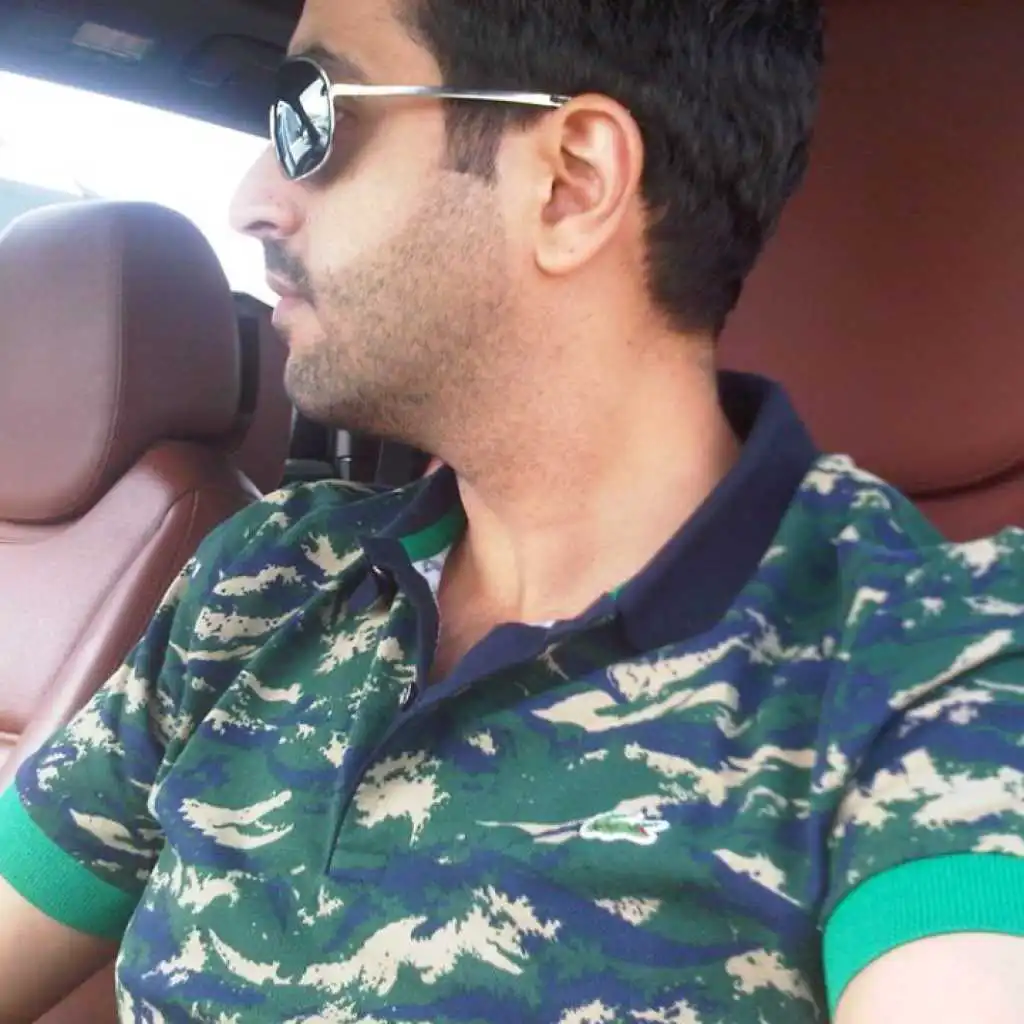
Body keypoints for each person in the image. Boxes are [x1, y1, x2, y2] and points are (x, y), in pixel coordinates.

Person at [2, 0, 1023, 1021]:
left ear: (570, 182)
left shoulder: (933, 660)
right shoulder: (266, 576)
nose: (252, 201)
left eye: (314, 113)